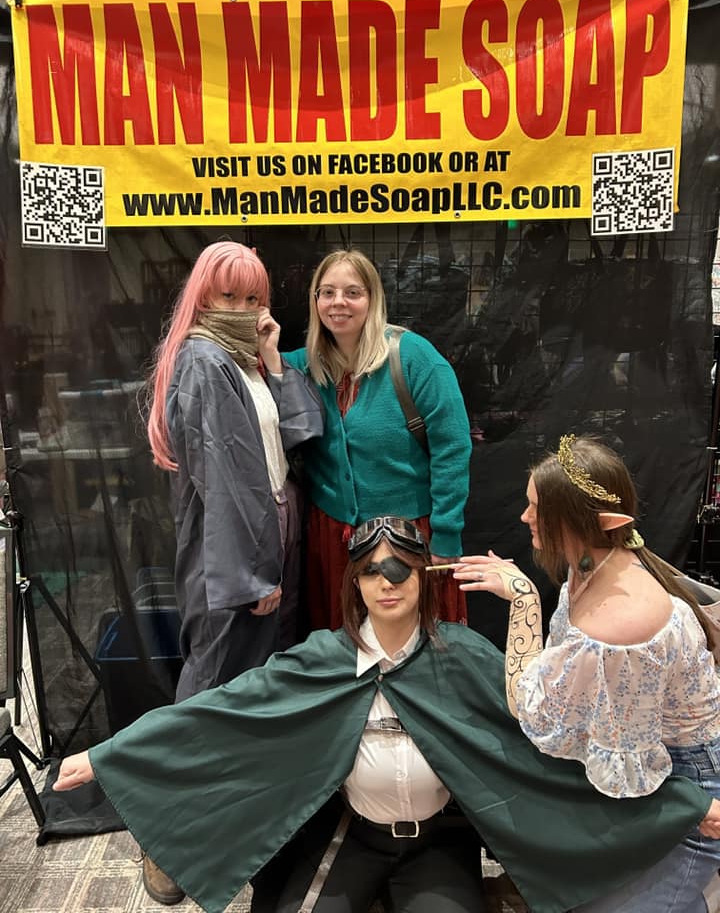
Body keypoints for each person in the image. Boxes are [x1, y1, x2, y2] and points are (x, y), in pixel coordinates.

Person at [55, 518, 714, 913]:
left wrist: (683, 804)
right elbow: (221, 714)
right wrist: (108, 756)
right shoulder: (321, 660)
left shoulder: (463, 658)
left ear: (425, 577)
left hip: (438, 842)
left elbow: (549, 747)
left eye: (402, 569)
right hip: (355, 835)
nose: (389, 582)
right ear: (356, 584)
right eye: (373, 572)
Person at [454, 433, 720, 913]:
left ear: (590, 523)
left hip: (691, 793)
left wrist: (523, 601)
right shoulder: (593, 568)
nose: (524, 517)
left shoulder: (618, 624)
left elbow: (529, 705)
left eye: (538, 509)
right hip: (672, 776)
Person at [142, 240, 323, 902]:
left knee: (255, 682)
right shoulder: (203, 359)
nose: (244, 308)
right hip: (235, 547)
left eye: (255, 297)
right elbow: (225, 476)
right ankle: (165, 833)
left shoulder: (243, 360)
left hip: (275, 529)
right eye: (230, 295)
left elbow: (304, 433)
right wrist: (249, 575)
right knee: (214, 684)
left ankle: (231, 825)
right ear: (204, 296)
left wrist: (273, 360)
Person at [284, 249, 472, 631]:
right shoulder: (306, 365)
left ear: (373, 298)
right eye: (327, 292)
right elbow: (256, 368)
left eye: (352, 292)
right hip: (334, 540)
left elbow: (452, 448)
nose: (338, 302)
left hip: (406, 539)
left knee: (414, 645)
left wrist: (447, 535)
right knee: (347, 646)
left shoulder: (414, 358)